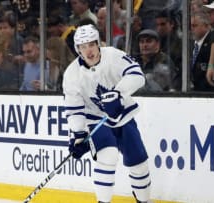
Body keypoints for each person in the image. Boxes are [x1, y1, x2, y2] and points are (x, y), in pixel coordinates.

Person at [63, 24, 152, 203]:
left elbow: (137, 76)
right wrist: (78, 135)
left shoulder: (113, 55)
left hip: (123, 116)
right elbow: (74, 109)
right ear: (77, 49)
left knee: (139, 162)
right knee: (107, 156)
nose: (88, 50)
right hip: (96, 120)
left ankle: (144, 201)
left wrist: (117, 93)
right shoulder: (72, 74)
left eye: (91, 44)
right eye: (83, 46)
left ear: (98, 43)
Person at [190, 12, 214, 91]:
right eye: (190, 26)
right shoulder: (189, 44)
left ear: (206, 26)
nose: (191, 29)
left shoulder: (213, 44)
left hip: (207, 91)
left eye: (194, 25)